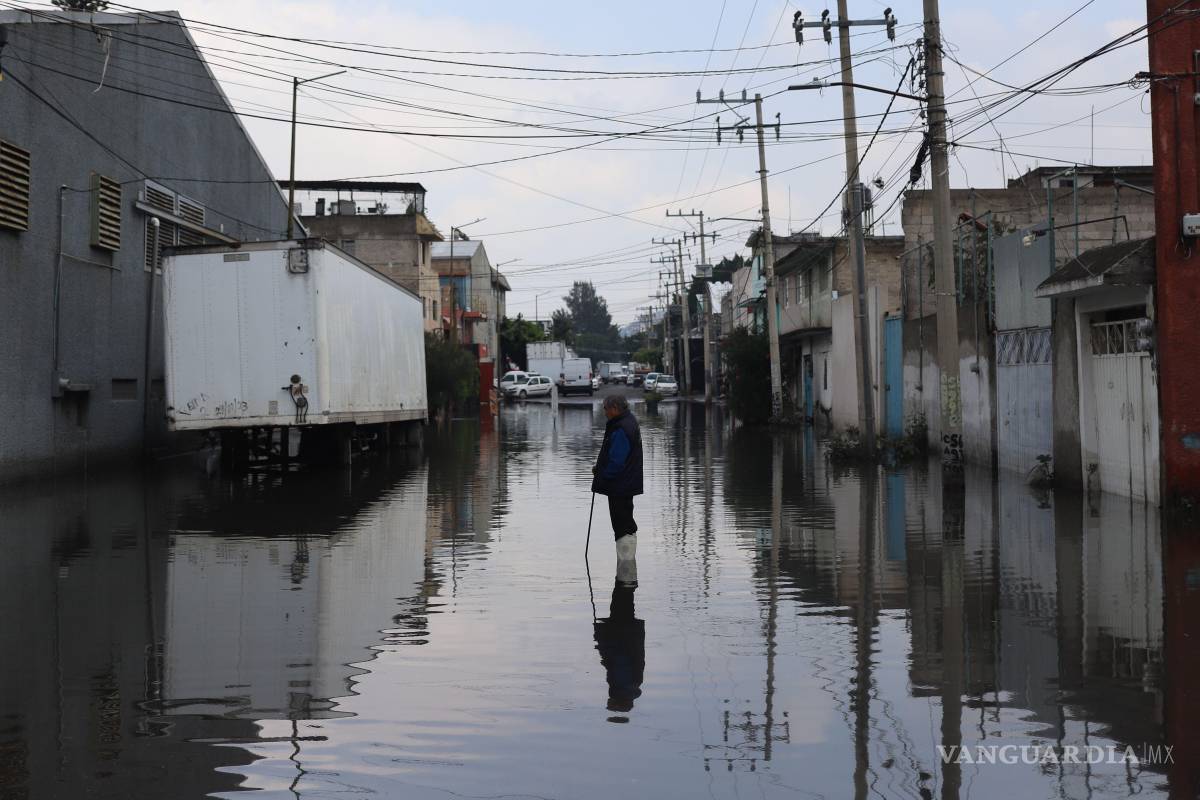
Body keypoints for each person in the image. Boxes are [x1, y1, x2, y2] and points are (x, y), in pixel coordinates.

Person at [591, 394, 643, 560]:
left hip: (620, 486)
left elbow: (616, 462)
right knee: (625, 523)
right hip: (626, 484)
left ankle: (626, 570)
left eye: (606, 409)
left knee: (622, 525)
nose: (605, 412)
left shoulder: (621, 427)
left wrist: (602, 475)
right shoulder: (629, 421)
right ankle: (627, 574)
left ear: (614, 408)